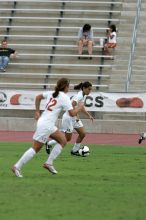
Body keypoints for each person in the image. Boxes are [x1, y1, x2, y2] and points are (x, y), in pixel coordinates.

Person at [11, 78, 84, 177]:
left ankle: (49, 163)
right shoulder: (64, 97)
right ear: (66, 86)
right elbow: (72, 114)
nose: (69, 87)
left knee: (63, 140)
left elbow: (38, 97)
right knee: (35, 148)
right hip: (46, 125)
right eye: (69, 85)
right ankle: (17, 166)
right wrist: (80, 108)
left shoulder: (52, 93)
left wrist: (37, 111)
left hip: (46, 123)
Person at [46, 81, 94, 156]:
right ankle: (49, 143)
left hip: (74, 117)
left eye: (91, 89)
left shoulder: (83, 95)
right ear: (84, 88)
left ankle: (74, 151)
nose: (90, 91)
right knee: (67, 139)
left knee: (82, 134)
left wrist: (88, 115)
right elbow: (72, 105)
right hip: (68, 118)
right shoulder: (79, 96)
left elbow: (81, 107)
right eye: (89, 89)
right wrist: (77, 116)